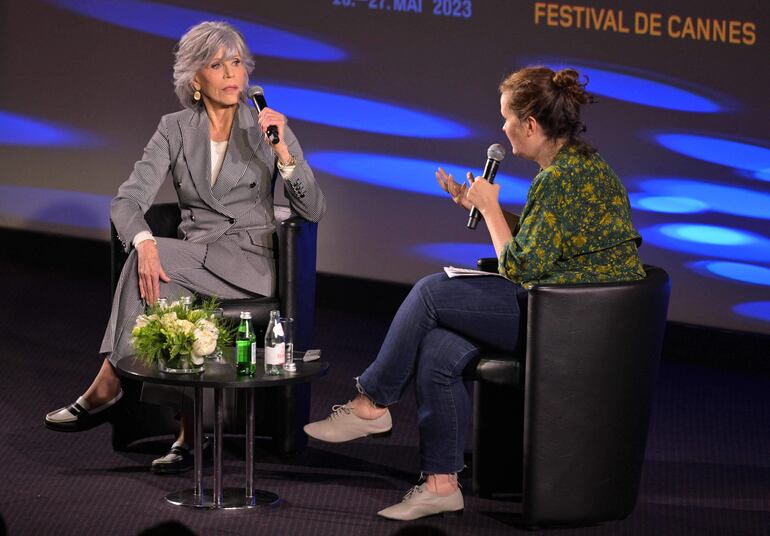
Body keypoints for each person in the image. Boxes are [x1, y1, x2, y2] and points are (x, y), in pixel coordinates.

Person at [303, 66, 645, 520]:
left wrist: (489, 209)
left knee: (429, 293)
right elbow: (548, 242)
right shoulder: (576, 164)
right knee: (441, 348)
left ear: (530, 124)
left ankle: (371, 404)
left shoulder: (560, 179)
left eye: (506, 118)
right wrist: (482, 208)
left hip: (567, 322)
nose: (501, 128)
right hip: (562, 306)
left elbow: (520, 266)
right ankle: (441, 484)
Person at [45, 21, 326, 473]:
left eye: (236, 62)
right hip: (196, 260)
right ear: (196, 80)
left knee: (155, 260)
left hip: (250, 262)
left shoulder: (267, 125)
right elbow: (127, 200)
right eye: (217, 65)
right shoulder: (175, 129)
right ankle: (191, 438)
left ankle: (107, 383)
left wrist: (286, 159)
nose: (232, 73)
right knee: (169, 299)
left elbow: (312, 209)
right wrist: (144, 238)